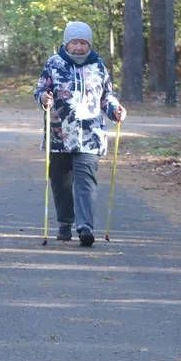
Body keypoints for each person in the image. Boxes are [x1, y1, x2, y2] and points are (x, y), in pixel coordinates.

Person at [34, 21, 126, 247]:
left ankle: (85, 227)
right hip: (60, 134)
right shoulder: (53, 64)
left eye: (82, 43)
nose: (78, 48)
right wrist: (43, 99)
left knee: (86, 181)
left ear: (89, 44)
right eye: (74, 43)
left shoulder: (99, 66)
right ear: (66, 43)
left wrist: (115, 110)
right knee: (60, 181)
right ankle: (65, 222)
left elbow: (106, 97)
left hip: (90, 135)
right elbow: (40, 90)